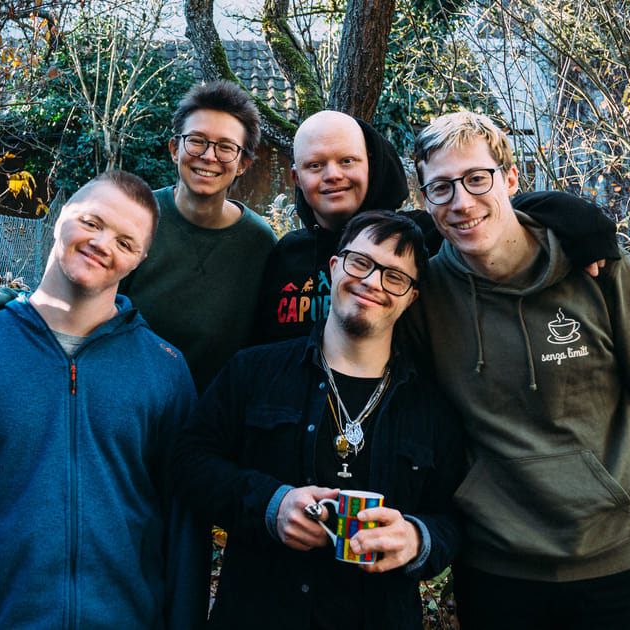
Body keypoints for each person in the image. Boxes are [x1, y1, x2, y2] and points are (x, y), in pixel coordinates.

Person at [408, 111, 630, 629]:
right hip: (493, 564)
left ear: (511, 178)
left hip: (609, 560)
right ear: (425, 200)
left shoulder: (598, 269)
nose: (462, 202)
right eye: (441, 187)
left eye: (477, 178)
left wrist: (615, 493)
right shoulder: (424, 293)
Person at [0, 170, 202, 629]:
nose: (102, 244)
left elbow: (184, 531)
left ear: (139, 260)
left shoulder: (165, 371)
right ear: (60, 217)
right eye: (92, 222)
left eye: (125, 241)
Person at [172, 210, 466, 629]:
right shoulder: (253, 372)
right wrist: (270, 505)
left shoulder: (432, 407)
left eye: (394, 277)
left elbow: (453, 519)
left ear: (411, 297)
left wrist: (417, 539)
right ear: (334, 266)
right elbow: (188, 463)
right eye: (360, 262)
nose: (372, 282)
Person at [0, 80, 275, 393]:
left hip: (216, 423)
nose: (208, 156)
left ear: (243, 164)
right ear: (175, 148)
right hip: (118, 403)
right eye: (197, 141)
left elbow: (271, 341)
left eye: (225, 147)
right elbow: (68, 294)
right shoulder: (135, 221)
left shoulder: (259, 243)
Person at [250, 109, 619, 346]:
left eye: (347, 161)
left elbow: (484, 213)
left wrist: (576, 218)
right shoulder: (286, 254)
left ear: (370, 165)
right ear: (297, 178)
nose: (333, 175)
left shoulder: (418, 235)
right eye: (315, 165)